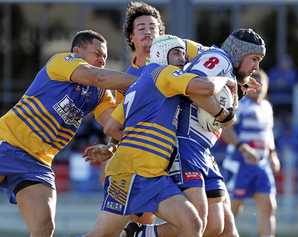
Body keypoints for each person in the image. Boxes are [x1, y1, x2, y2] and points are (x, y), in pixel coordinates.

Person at [84, 34, 236, 237]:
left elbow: (111, 126)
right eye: (176, 53)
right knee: (101, 235)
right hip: (130, 173)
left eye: (183, 53)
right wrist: (227, 79)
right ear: (161, 55)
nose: (182, 58)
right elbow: (206, 87)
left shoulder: (142, 82)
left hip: (154, 175)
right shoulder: (164, 73)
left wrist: (117, 145)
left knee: (193, 223)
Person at [123, 28, 265, 237]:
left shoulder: (229, 73)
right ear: (239, 52)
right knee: (196, 222)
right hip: (186, 145)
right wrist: (222, 113)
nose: (256, 66)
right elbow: (194, 87)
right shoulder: (219, 59)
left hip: (203, 151)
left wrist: (237, 93)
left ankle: (140, 234)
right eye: (254, 58)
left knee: (220, 228)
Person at [0, 29, 136, 237]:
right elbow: (96, 76)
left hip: (38, 163)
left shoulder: (100, 94)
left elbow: (112, 125)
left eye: (105, 57)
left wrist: (113, 146)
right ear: (76, 51)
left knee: (44, 228)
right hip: (7, 142)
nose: (102, 60)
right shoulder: (61, 62)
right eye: (97, 54)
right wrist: (145, 82)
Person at [221, 70, 280, 237]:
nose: (259, 87)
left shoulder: (267, 107)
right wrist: (243, 148)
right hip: (240, 163)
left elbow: (268, 133)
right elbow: (226, 131)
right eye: (256, 82)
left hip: (262, 164)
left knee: (269, 206)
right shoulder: (239, 105)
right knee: (233, 209)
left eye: (263, 83)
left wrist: (273, 154)